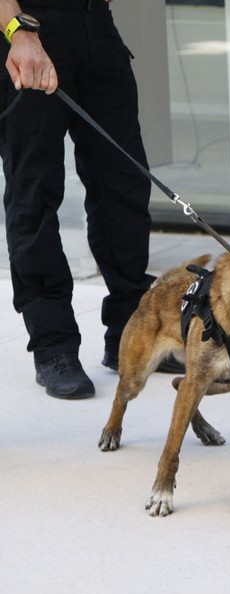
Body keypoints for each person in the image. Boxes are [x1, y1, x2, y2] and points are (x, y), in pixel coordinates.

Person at [0, 0, 157, 399]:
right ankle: (54, 347)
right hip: (31, 27)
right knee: (33, 195)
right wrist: (18, 30)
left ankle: (130, 334)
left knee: (125, 185)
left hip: (97, 23)